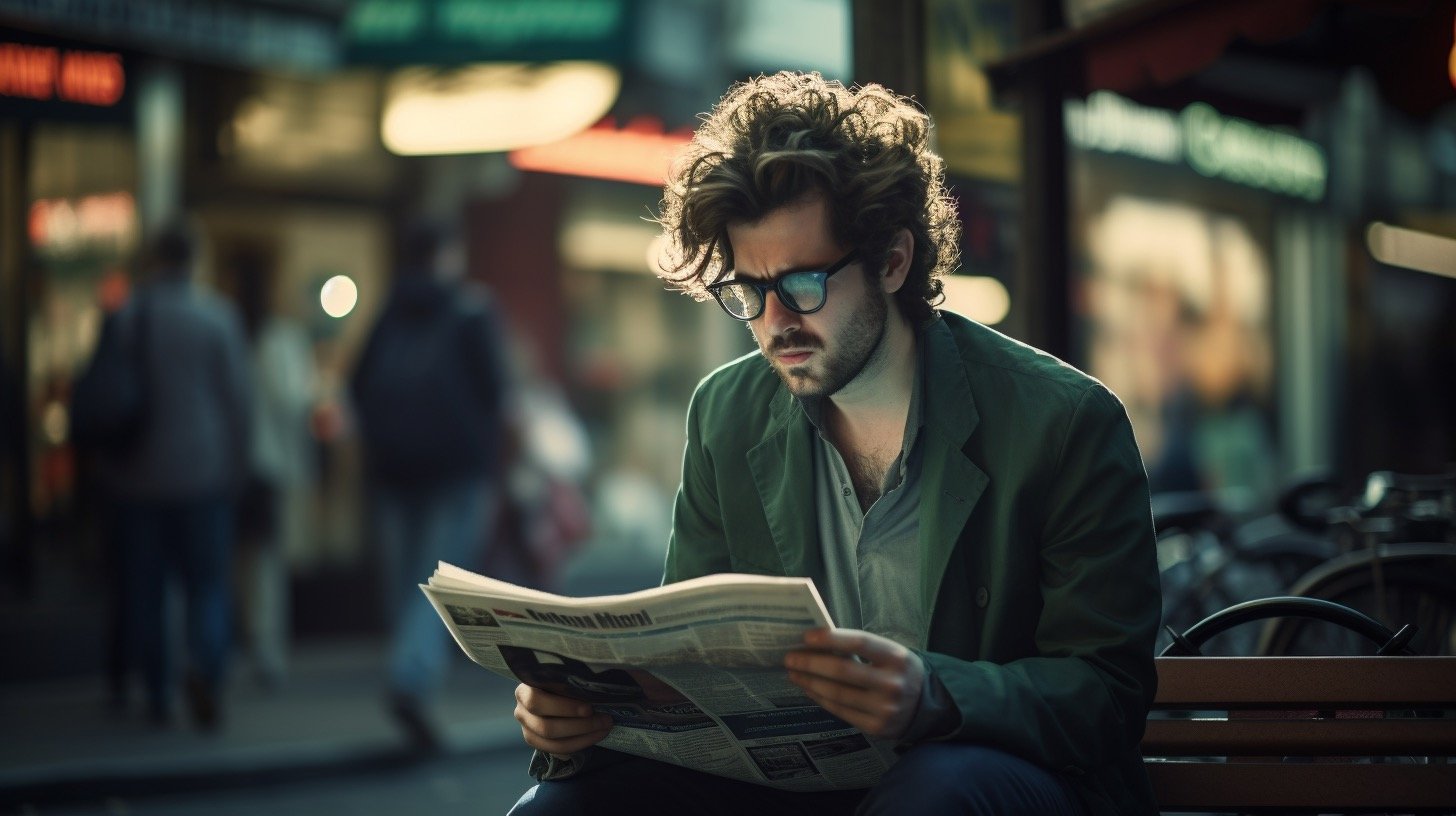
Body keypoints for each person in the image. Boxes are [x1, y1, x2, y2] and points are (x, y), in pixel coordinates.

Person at [510, 72, 1162, 816]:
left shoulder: (1065, 422)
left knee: (932, 790)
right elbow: (689, 662)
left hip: (1000, 780)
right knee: (560, 806)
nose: (774, 321)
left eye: (804, 284)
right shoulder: (727, 413)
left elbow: (1107, 693)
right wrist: (577, 719)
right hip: (795, 786)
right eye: (749, 291)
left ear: (892, 261)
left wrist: (933, 695)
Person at [351, 221, 514, 751]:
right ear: (447, 254)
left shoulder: (389, 311)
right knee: (437, 582)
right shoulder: (469, 309)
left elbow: (356, 384)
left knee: (405, 582)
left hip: (393, 468)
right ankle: (410, 677)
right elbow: (496, 388)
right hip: (456, 468)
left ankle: (406, 668)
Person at [102, 225, 254, 730]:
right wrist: (238, 465)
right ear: (194, 258)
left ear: (152, 258)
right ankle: (205, 672)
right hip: (204, 475)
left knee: (147, 588)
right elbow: (238, 403)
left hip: (137, 478)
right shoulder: (217, 316)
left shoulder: (127, 318)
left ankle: (157, 690)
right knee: (207, 585)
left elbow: (106, 396)